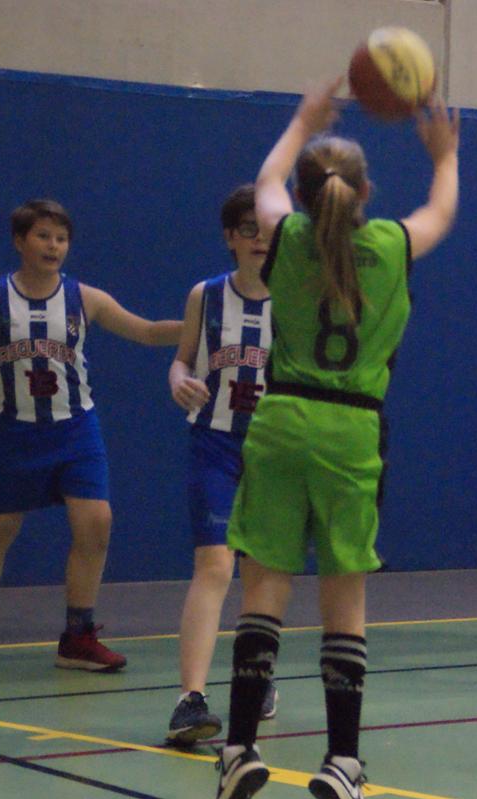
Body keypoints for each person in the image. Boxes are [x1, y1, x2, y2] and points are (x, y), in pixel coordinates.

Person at [209, 79, 459, 799]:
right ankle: (343, 761)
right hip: (353, 431)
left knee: (264, 591)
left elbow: (266, 187)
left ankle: (241, 747)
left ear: (311, 195)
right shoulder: (387, 245)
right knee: (342, 601)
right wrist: (444, 155)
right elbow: (440, 212)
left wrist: (301, 120)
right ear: (364, 193)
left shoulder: (282, 240)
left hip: (280, 419)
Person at [0, 199, 181, 671]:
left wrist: (206, 325)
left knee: (96, 522)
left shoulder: (85, 298)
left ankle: (77, 635)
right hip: (13, 430)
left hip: (75, 428)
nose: (53, 245)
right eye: (43, 236)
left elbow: (150, 332)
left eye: (61, 237)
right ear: (19, 241)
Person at [165, 184, 277, 746]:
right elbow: (183, 358)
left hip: (274, 450)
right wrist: (180, 381)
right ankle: (190, 699)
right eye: (249, 229)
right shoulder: (205, 296)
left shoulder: (298, 299)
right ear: (231, 238)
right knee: (214, 565)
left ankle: (256, 673)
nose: (260, 239)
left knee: (261, 573)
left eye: (269, 227)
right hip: (214, 443)